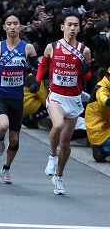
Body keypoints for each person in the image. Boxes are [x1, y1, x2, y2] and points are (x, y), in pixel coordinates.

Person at [36, 11, 92, 195]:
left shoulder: (84, 50)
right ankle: (52, 155)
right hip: (56, 96)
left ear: (79, 28)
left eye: (76, 25)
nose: (73, 28)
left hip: (74, 99)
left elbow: (88, 76)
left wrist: (86, 71)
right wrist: (37, 81)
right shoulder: (52, 47)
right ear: (63, 27)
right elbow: (43, 66)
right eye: (70, 24)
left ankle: (59, 176)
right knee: (57, 125)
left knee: (66, 143)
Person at [0, 13, 38, 183]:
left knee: (14, 139)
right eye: (9, 24)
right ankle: (0, 138)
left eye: (16, 23)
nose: (13, 27)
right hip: (0, 95)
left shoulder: (28, 48)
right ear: (5, 27)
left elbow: (37, 71)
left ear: (20, 26)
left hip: (17, 98)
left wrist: (31, 74)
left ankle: (6, 168)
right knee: (3, 126)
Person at [86, 70, 110, 162]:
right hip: (99, 129)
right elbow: (103, 98)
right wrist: (107, 101)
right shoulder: (101, 88)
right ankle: (100, 149)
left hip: (105, 127)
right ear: (108, 76)